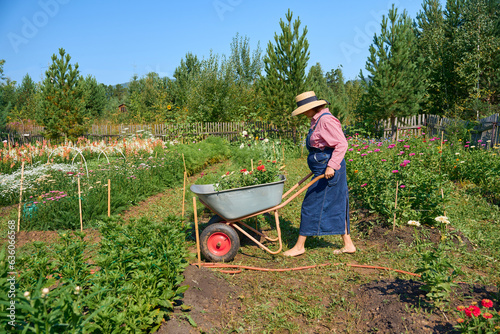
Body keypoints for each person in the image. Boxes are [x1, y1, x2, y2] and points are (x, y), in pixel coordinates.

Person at [283, 91, 356, 257]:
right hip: (322, 167)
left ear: (313, 107)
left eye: (304, 110)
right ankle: (348, 244)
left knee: (310, 205)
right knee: (336, 203)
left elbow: (342, 144)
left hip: (329, 170)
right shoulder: (317, 120)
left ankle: (300, 246)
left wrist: (330, 166)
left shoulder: (326, 120)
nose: (303, 114)